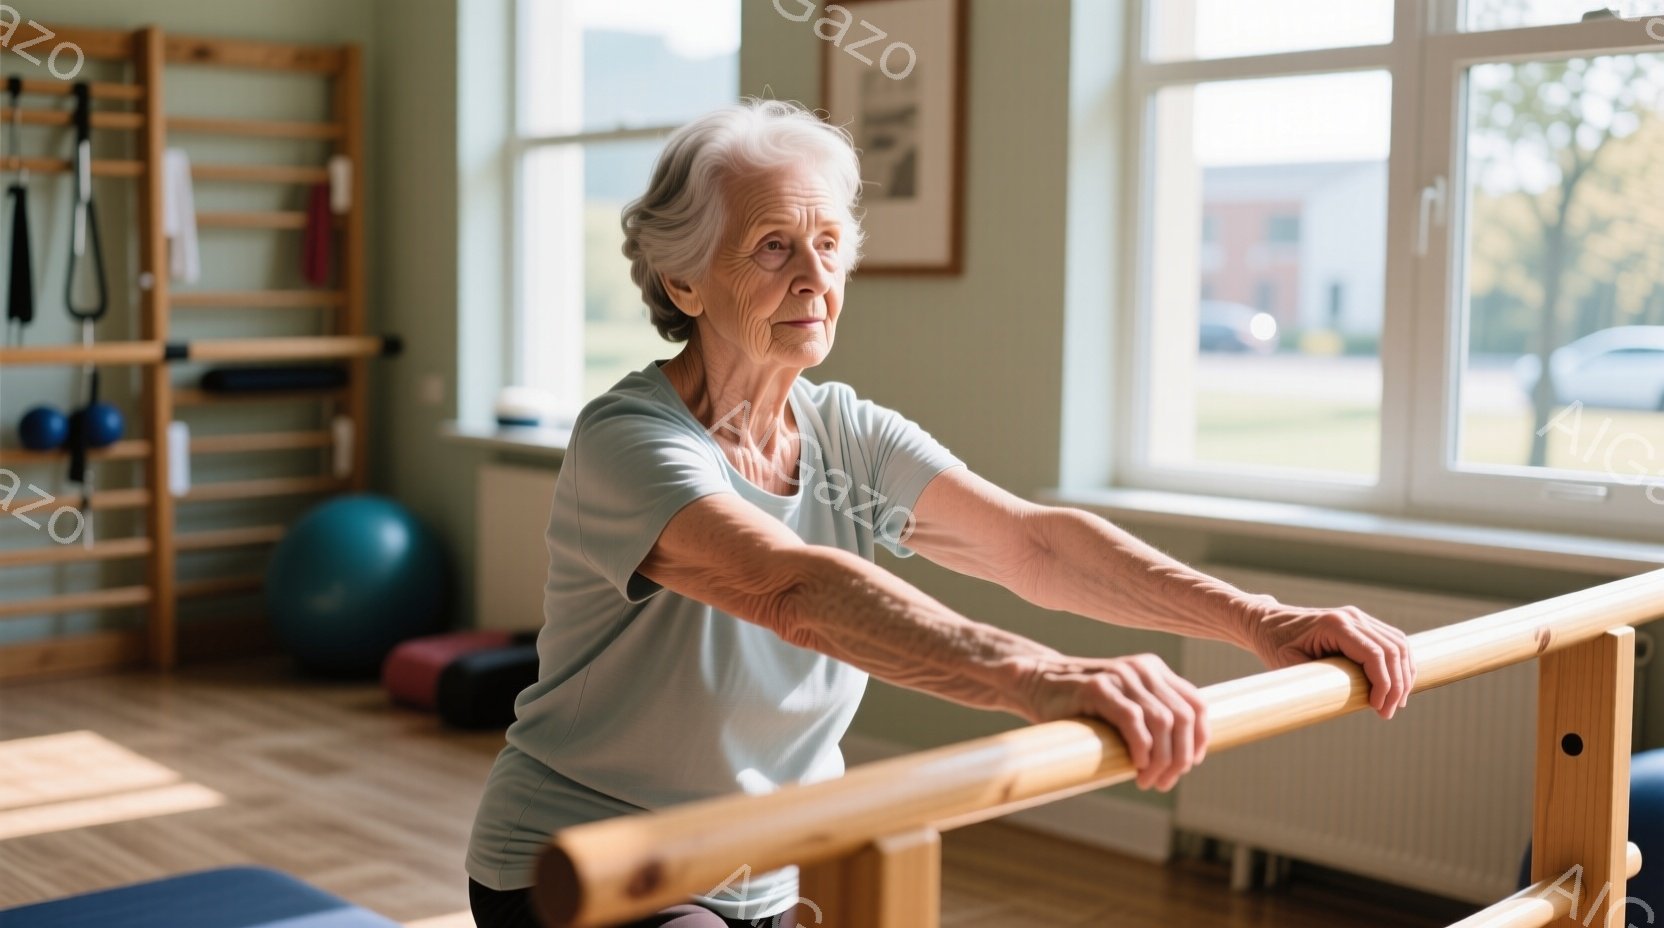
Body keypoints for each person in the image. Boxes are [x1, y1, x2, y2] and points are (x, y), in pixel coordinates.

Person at [464, 98, 1418, 928]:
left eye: (829, 245)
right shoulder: (628, 440)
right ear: (683, 282)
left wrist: (1261, 621)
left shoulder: (844, 432)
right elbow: (789, 588)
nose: (815, 278)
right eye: (772, 248)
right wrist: (1035, 676)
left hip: (771, 869)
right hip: (588, 863)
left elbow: (1034, 548)